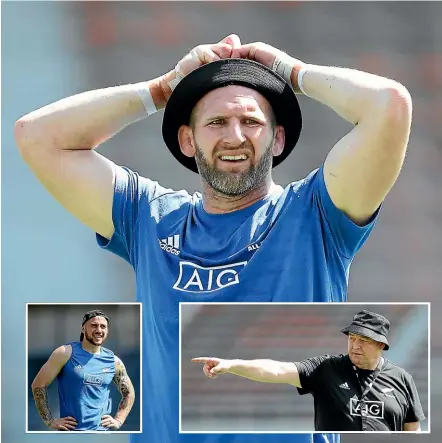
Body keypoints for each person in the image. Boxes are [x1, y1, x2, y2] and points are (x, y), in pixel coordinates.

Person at [16, 32, 412, 443]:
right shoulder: (149, 217)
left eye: (252, 122)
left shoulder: (315, 213)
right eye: (217, 122)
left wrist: (292, 73)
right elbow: (37, 135)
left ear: (278, 139)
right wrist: (160, 89)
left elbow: (390, 106)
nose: (235, 136)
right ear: (188, 140)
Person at [193, 310, 425, 432]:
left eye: (363, 340)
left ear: (381, 345)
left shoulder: (402, 379)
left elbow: (411, 429)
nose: (354, 345)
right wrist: (231, 365)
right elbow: (277, 370)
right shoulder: (327, 368)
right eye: (352, 338)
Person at [31, 310, 135, 431]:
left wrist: (118, 420)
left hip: (102, 434)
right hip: (71, 434)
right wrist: (49, 421)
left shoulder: (114, 361)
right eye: (94, 325)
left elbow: (129, 393)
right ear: (83, 329)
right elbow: (38, 385)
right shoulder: (65, 353)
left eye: (103, 327)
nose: (99, 330)